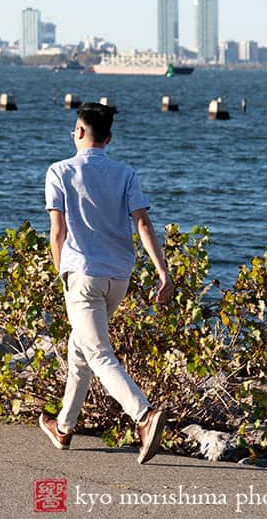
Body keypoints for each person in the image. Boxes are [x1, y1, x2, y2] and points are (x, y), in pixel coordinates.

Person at [38, 102, 174, 464]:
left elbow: (57, 232)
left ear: (79, 132)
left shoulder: (59, 171)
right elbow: (143, 224)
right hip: (119, 277)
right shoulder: (126, 173)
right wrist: (163, 272)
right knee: (80, 349)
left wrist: (62, 273)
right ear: (109, 137)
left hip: (82, 274)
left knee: (98, 353)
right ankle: (64, 428)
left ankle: (144, 417)